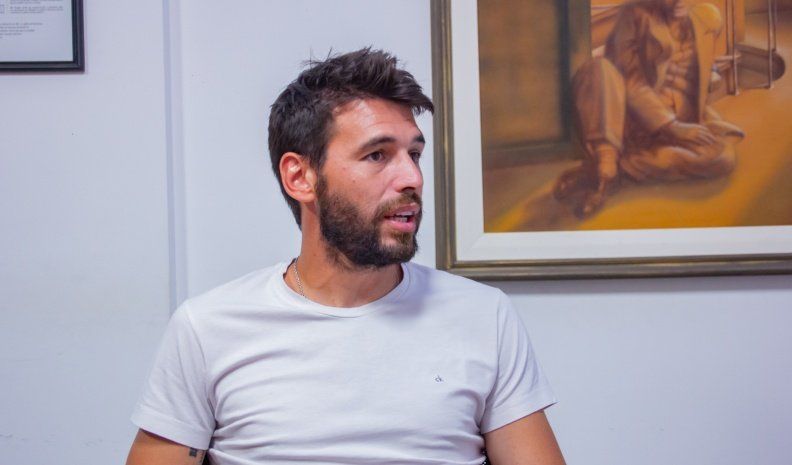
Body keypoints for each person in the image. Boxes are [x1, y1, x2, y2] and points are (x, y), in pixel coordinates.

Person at [125, 48, 565, 465]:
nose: (412, 177)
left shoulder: (484, 316)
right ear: (300, 177)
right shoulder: (207, 329)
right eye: (377, 155)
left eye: (414, 154)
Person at [555, 0, 745, 217]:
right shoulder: (632, 16)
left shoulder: (706, 20)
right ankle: (607, 163)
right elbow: (630, 81)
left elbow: (698, 76)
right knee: (598, 68)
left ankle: (608, 170)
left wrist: (699, 118)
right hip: (631, 122)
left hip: (677, 126)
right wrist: (671, 126)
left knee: (723, 158)